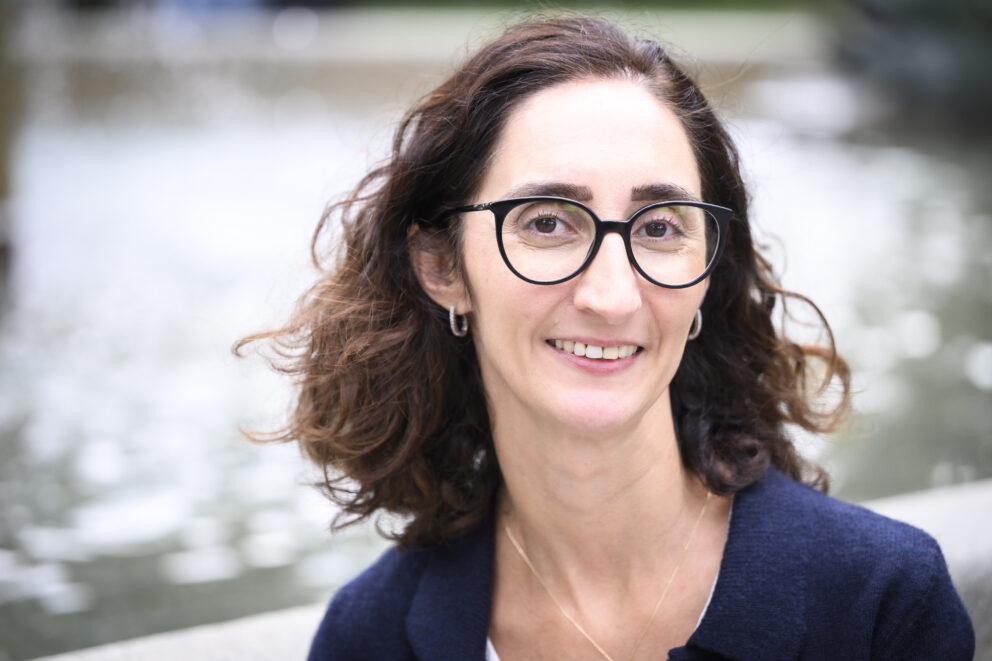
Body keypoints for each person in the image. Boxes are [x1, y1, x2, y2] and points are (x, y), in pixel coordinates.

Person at [238, 14, 975, 661]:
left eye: (659, 228)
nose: (612, 296)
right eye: (547, 222)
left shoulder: (879, 604)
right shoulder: (372, 637)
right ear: (441, 266)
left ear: (707, 276)